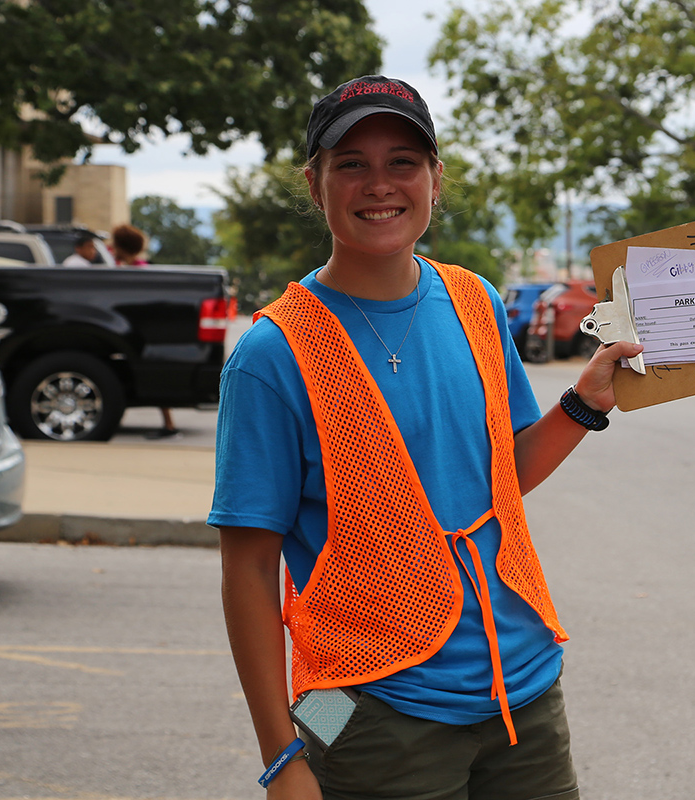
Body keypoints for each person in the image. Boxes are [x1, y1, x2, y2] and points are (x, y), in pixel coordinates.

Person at [209, 74, 643, 799]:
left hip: (522, 693)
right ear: (315, 184)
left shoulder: (473, 301)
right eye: (352, 163)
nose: (379, 184)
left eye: (402, 162)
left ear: (435, 180)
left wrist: (582, 404)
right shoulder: (273, 355)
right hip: (364, 710)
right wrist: (284, 760)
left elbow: (499, 475)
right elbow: (247, 572)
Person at [110, 223, 179, 438]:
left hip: (140, 332)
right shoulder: (140, 267)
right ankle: (168, 424)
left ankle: (168, 425)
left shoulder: (133, 272)